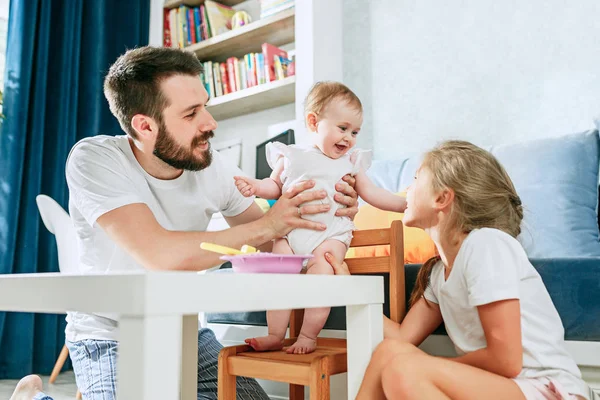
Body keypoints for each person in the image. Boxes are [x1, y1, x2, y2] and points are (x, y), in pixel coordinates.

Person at [10, 46, 359, 400]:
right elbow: (160, 254)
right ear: (144, 126)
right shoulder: (95, 159)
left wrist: (331, 213)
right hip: (109, 337)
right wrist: (269, 224)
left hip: (185, 333)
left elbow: (272, 243)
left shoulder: (212, 165)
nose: (210, 123)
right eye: (191, 114)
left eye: (205, 105)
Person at [324, 140, 596, 400]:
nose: (408, 188)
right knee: (389, 352)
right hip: (500, 385)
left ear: (442, 198)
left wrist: (430, 369)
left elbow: (507, 360)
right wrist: (350, 291)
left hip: (544, 389)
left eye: (417, 179)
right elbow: (401, 338)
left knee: (402, 368)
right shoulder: (439, 273)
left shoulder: (485, 244)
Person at [234, 81, 407, 355]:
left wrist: (406, 205)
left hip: (330, 234)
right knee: (279, 278)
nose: (349, 137)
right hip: (291, 234)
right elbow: (273, 186)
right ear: (314, 122)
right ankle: (275, 335)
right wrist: (254, 186)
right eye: (342, 128)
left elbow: (372, 193)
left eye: (355, 131)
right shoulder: (292, 155)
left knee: (323, 272)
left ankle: (308, 336)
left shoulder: (352, 161)